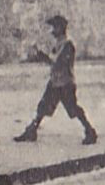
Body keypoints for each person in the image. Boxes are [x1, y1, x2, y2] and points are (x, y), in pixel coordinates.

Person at [14, 15, 98, 145]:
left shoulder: (67, 44)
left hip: (65, 83)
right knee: (43, 106)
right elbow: (52, 61)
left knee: (73, 109)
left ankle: (90, 131)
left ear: (61, 28)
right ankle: (32, 130)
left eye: (55, 27)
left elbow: (55, 61)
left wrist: (41, 54)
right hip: (56, 81)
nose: (52, 30)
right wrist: (39, 56)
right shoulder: (59, 44)